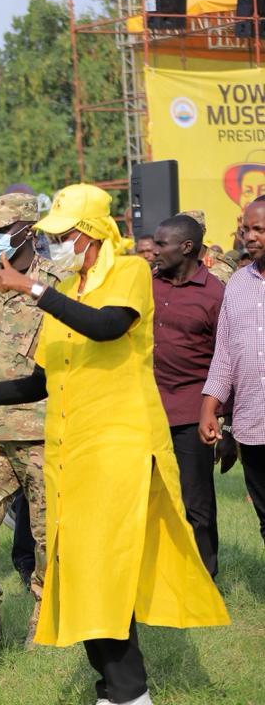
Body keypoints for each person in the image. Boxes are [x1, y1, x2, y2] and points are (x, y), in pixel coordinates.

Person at [0, 184, 228, 705]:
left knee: (102, 569)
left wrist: (33, 290)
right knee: (81, 569)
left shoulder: (129, 274)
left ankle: (129, 692)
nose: (54, 246)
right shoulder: (70, 287)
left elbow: (110, 327)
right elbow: (38, 383)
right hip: (70, 453)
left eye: (63, 235)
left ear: (89, 235)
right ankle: (117, 689)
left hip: (118, 448)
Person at [0, 193, 63, 650]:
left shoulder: (58, 283)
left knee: (46, 532)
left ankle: (43, 619)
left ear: (28, 230)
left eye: (2, 228)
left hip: (41, 427)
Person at [150, 216, 225, 577]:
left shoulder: (215, 294)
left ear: (187, 247)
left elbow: (225, 360)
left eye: (162, 244)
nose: (154, 249)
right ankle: (157, 578)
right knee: (149, 500)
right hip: (144, 411)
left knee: (196, 502)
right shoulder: (147, 285)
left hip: (191, 413)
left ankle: (204, 580)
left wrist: (222, 419)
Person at [200, 198, 265, 546]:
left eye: (259, 229)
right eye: (246, 229)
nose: (249, 237)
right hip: (253, 424)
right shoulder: (237, 284)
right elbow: (224, 355)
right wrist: (210, 407)